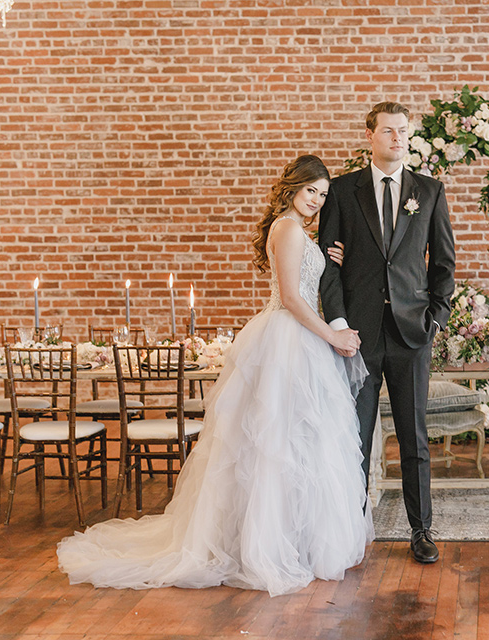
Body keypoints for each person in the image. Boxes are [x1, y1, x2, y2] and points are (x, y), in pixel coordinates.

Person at [56, 155, 374, 596]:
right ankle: (266, 545)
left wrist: (329, 256)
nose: (316, 201)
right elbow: (290, 297)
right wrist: (331, 336)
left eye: (322, 195)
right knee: (274, 444)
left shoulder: (298, 231)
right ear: (292, 188)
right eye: (310, 192)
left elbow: (305, 278)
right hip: (290, 335)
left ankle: (296, 540)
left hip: (299, 339)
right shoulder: (286, 228)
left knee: (298, 441)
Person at [319, 102, 456, 564]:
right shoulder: (341, 191)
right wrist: (338, 324)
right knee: (353, 436)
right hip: (356, 336)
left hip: (410, 335)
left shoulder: (429, 191)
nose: (397, 138)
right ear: (370, 136)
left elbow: (443, 265)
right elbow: (328, 269)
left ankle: (421, 529)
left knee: (414, 437)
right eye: (388, 131)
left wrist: (434, 320)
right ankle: (351, 529)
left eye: (403, 131)